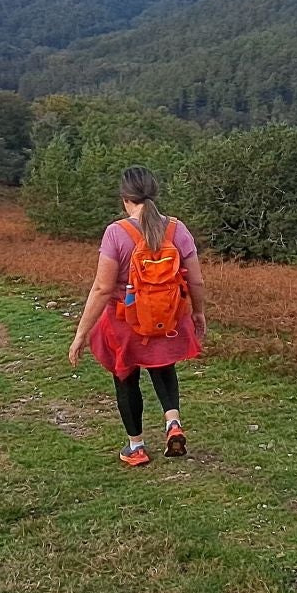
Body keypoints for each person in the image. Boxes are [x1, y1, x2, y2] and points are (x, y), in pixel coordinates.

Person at [67, 166, 207, 465]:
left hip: (125, 323)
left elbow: (103, 288)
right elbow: (196, 281)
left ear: (124, 198)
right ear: (154, 193)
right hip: (167, 319)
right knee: (162, 366)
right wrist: (199, 312)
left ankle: (136, 447)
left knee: (126, 377)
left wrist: (81, 333)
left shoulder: (116, 233)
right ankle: (173, 423)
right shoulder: (177, 230)